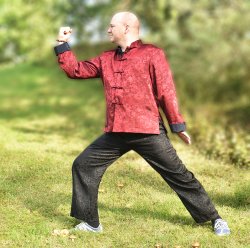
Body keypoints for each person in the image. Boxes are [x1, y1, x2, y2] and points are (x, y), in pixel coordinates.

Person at [54, 11, 230, 236]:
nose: (108, 30)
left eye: (111, 26)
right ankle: (91, 223)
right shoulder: (106, 58)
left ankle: (215, 219)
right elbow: (75, 70)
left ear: (126, 28)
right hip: (116, 132)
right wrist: (62, 43)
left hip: (147, 130)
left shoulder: (152, 54)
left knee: (179, 175)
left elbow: (166, 91)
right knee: (83, 165)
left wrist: (178, 126)